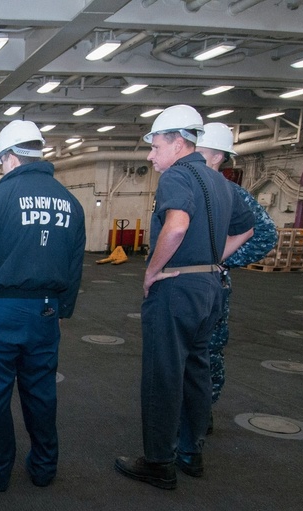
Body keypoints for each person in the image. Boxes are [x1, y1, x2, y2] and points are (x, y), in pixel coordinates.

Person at [114, 105, 255, 490]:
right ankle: (191, 451)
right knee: (197, 369)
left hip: (177, 289)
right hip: (210, 288)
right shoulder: (222, 182)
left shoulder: (178, 176)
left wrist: (152, 270)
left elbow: (176, 227)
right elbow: (247, 229)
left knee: (164, 372)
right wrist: (212, 259)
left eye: (155, 146)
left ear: (178, 143)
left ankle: (158, 460)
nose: (150, 155)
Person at [0, 120, 86, 492]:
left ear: (8, 157)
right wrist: (62, 312)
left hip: (0, 313)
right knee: (41, 391)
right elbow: (74, 267)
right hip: (45, 311)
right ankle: (44, 467)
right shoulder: (70, 203)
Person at [195, 123, 279, 427]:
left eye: (199, 153)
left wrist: (223, 260)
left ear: (217, 157)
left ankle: (202, 412)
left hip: (211, 285)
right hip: (184, 284)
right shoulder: (191, 188)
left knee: (208, 351)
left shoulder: (230, 193)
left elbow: (265, 235)